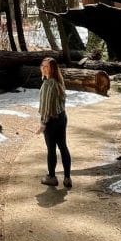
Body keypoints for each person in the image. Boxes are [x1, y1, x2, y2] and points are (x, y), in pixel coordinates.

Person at [37, 56, 72, 188]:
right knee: (63, 147)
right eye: (42, 65)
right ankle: (67, 178)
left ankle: (52, 177)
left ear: (52, 69)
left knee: (51, 149)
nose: (44, 68)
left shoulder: (49, 84)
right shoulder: (59, 81)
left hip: (51, 121)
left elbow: (46, 107)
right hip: (62, 118)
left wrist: (43, 123)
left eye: (47, 66)